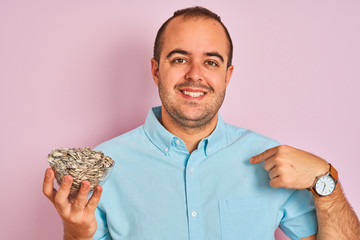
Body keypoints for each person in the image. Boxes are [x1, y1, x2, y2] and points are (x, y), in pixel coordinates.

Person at [43, 6, 360, 240]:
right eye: (179, 59)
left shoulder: (274, 161)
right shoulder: (104, 167)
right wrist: (76, 232)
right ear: (156, 70)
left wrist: (324, 179)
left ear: (227, 75)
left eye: (211, 62)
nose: (195, 74)